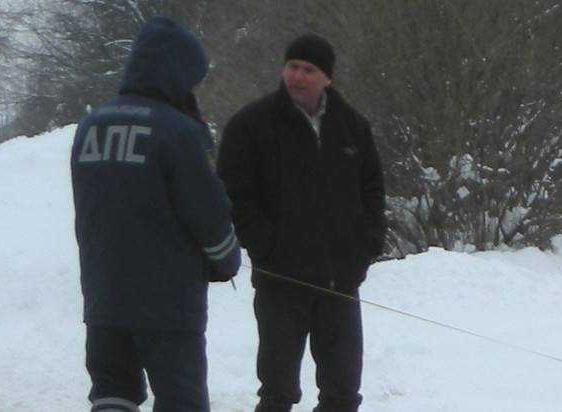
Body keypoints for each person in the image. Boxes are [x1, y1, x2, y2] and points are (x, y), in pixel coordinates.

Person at [71, 16, 240, 412]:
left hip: (104, 299)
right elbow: (209, 216)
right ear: (176, 71)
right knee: (181, 402)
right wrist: (227, 261)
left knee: (113, 396)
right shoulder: (177, 132)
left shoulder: (90, 127)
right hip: (168, 307)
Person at [217, 34, 386, 412]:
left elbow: (373, 190)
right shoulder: (251, 125)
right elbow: (234, 195)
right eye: (292, 66)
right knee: (278, 393)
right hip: (281, 282)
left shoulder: (352, 126)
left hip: (339, 282)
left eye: (309, 70)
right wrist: (266, 246)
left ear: (327, 77)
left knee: (342, 394)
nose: (298, 76)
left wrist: (367, 244)